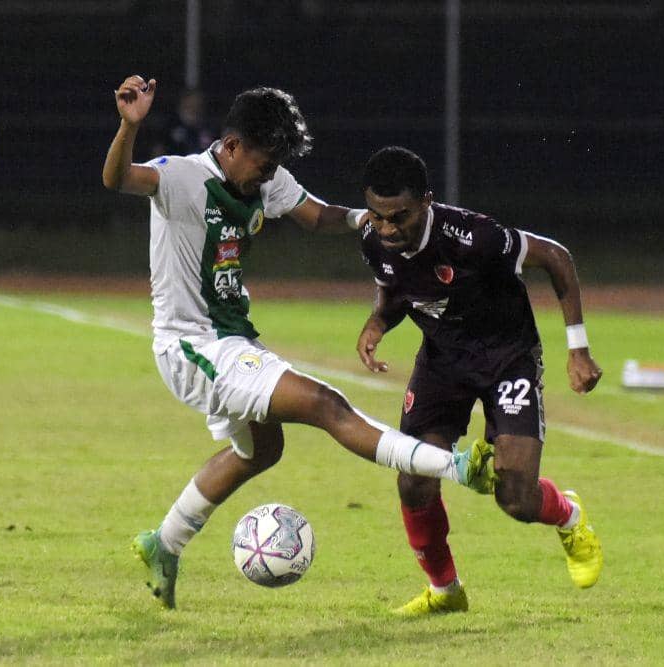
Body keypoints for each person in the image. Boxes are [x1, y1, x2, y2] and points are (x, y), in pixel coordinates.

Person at [102, 76, 495, 610]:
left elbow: (316, 216)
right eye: (265, 164)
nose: (270, 175)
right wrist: (128, 126)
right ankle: (456, 466)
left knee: (262, 450)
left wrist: (364, 219)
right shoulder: (182, 177)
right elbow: (119, 178)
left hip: (231, 338)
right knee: (323, 404)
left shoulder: (265, 177)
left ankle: (163, 544)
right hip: (192, 346)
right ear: (232, 146)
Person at [354, 146, 604, 615]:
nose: (386, 228)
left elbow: (556, 257)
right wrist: (378, 323)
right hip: (442, 362)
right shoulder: (372, 238)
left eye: (399, 217)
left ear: (426, 201)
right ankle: (445, 591)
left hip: (507, 358)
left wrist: (578, 349)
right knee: (413, 480)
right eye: (377, 216)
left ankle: (568, 515)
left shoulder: (475, 237)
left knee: (515, 498)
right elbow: (395, 288)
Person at [150, 88, 216, 157]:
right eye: (191, 104)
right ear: (183, 103)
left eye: (198, 105)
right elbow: (158, 151)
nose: (194, 109)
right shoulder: (169, 126)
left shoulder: (208, 128)